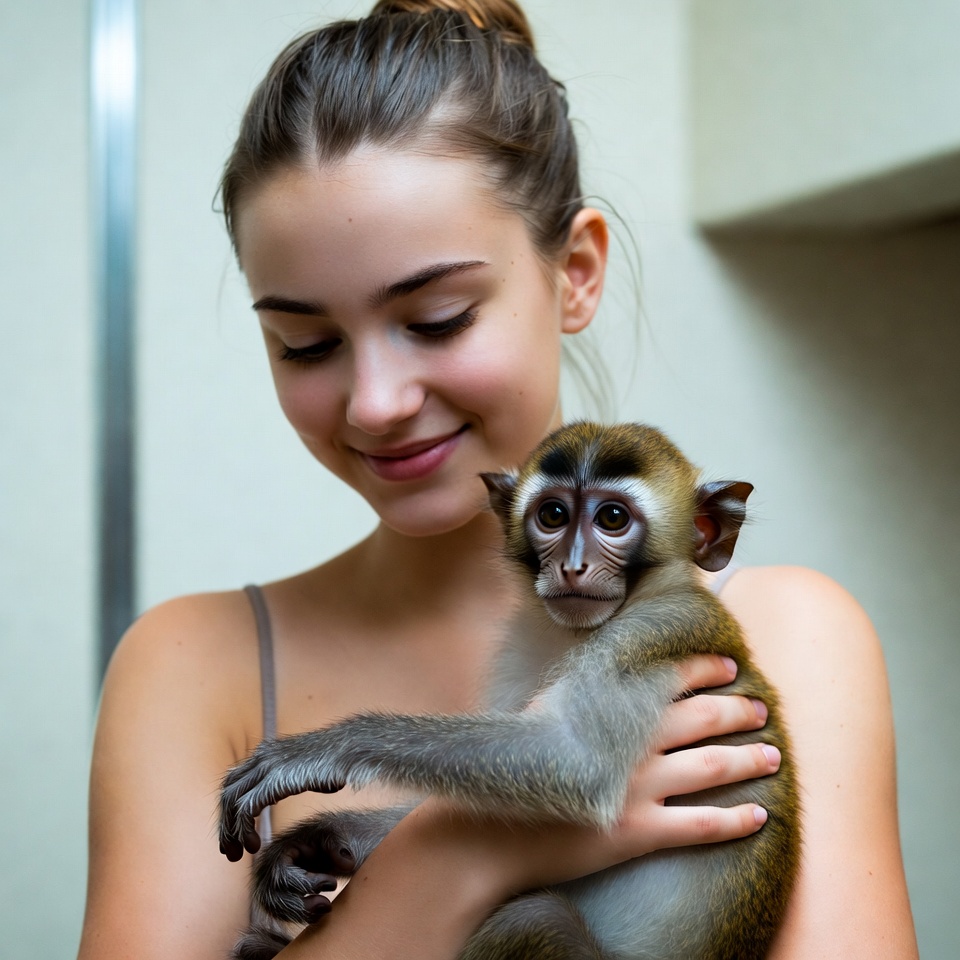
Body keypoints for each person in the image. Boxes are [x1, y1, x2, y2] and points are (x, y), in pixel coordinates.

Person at [77, 2, 919, 958]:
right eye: (305, 343)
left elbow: (567, 771)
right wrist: (453, 854)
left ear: (576, 274)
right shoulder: (190, 667)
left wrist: (383, 784)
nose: (377, 403)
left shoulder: (797, 635)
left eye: (436, 318)